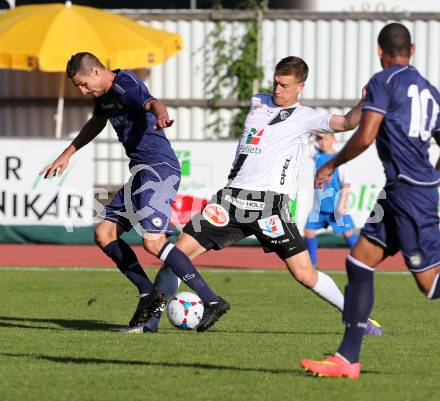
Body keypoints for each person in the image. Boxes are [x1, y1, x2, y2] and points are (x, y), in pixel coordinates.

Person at [129, 56, 383, 335]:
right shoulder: (258, 102)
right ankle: (148, 325)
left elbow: (347, 122)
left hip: (269, 207)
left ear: (300, 87)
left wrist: (365, 103)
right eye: (275, 83)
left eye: (285, 86)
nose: (278, 90)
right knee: (175, 257)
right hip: (229, 201)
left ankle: (357, 318)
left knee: (304, 274)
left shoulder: (306, 117)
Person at [39, 52, 226, 331]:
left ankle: (211, 300)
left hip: (158, 169)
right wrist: (66, 154)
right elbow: (96, 122)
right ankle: (147, 293)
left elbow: (152, 102)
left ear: (95, 72)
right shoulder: (101, 96)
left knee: (153, 242)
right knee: (104, 233)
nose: (81, 90)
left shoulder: (124, 83)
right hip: (140, 172)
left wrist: (161, 115)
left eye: (81, 83)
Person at [300, 22, 440, 379]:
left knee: (429, 284)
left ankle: (348, 358)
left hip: (410, 193)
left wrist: (332, 163)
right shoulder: (430, 90)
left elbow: (365, 135)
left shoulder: (384, 81)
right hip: (400, 191)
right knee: (359, 262)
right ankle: (347, 359)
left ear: (380, 51)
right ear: (413, 49)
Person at [304, 132, 358, 269]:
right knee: (308, 231)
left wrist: (342, 204)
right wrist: (314, 131)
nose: (322, 142)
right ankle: (313, 263)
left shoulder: (340, 159)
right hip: (319, 207)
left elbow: (346, 184)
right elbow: (305, 142)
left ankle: (362, 260)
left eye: (325, 138)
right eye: (319, 139)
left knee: (348, 233)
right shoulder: (317, 155)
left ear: (333, 139)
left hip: (336, 207)